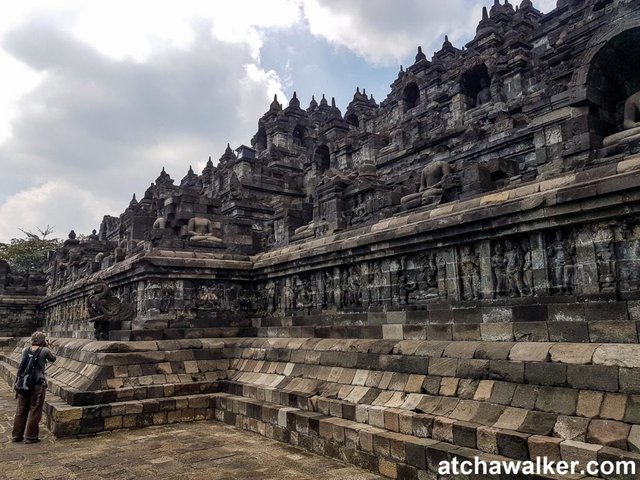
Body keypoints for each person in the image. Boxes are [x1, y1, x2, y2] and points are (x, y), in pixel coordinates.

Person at [12, 331, 56, 444]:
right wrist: (50, 347)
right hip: (37, 385)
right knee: (35, 411)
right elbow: (53, 359)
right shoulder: (45, 350)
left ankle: (16, 436)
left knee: (20, 411)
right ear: (42, 341)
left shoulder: (25, 350)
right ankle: (31, 437)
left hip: (24, 384)